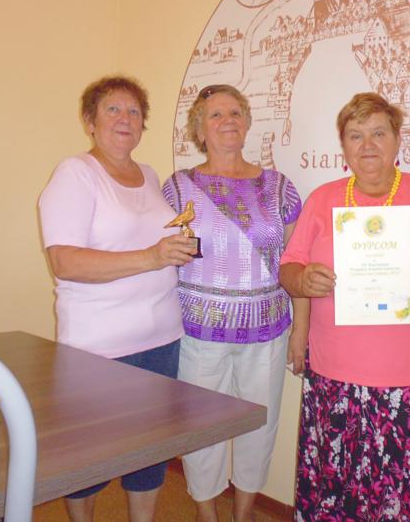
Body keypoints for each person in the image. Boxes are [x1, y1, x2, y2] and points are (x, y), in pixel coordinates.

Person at [279, 92, 410, 521]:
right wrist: (303, 278)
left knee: (407, 501)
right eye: (356, 135)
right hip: (336, 377)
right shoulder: (323, 199)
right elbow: (288, 268)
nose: (367, 145)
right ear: (343, 145)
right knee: (336, 496)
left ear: (397, 140)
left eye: (378, 133)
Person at [38, 75, 198, 522]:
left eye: (134, 111)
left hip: (162, 338)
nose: (125, 118)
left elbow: (156, 241)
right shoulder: (75, 173)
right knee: (89, 458)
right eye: (113, 109)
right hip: (100, 348)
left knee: (149, 453)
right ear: (90, 121)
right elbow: (65, 261)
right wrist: (151, 257)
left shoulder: (149, 175)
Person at [161, 84, 303, 522]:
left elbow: (296, 262)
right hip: (198, 332)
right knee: (200, 426)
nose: (228, 121)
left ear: (247, 123)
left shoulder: (279, 188)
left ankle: (244, 513)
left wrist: (301, 329)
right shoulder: (176, 188)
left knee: (259, 424)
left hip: (267, 331)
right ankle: (207, 512)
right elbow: (163, 258)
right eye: (216, 114)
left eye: (236, 113)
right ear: (200, 129)